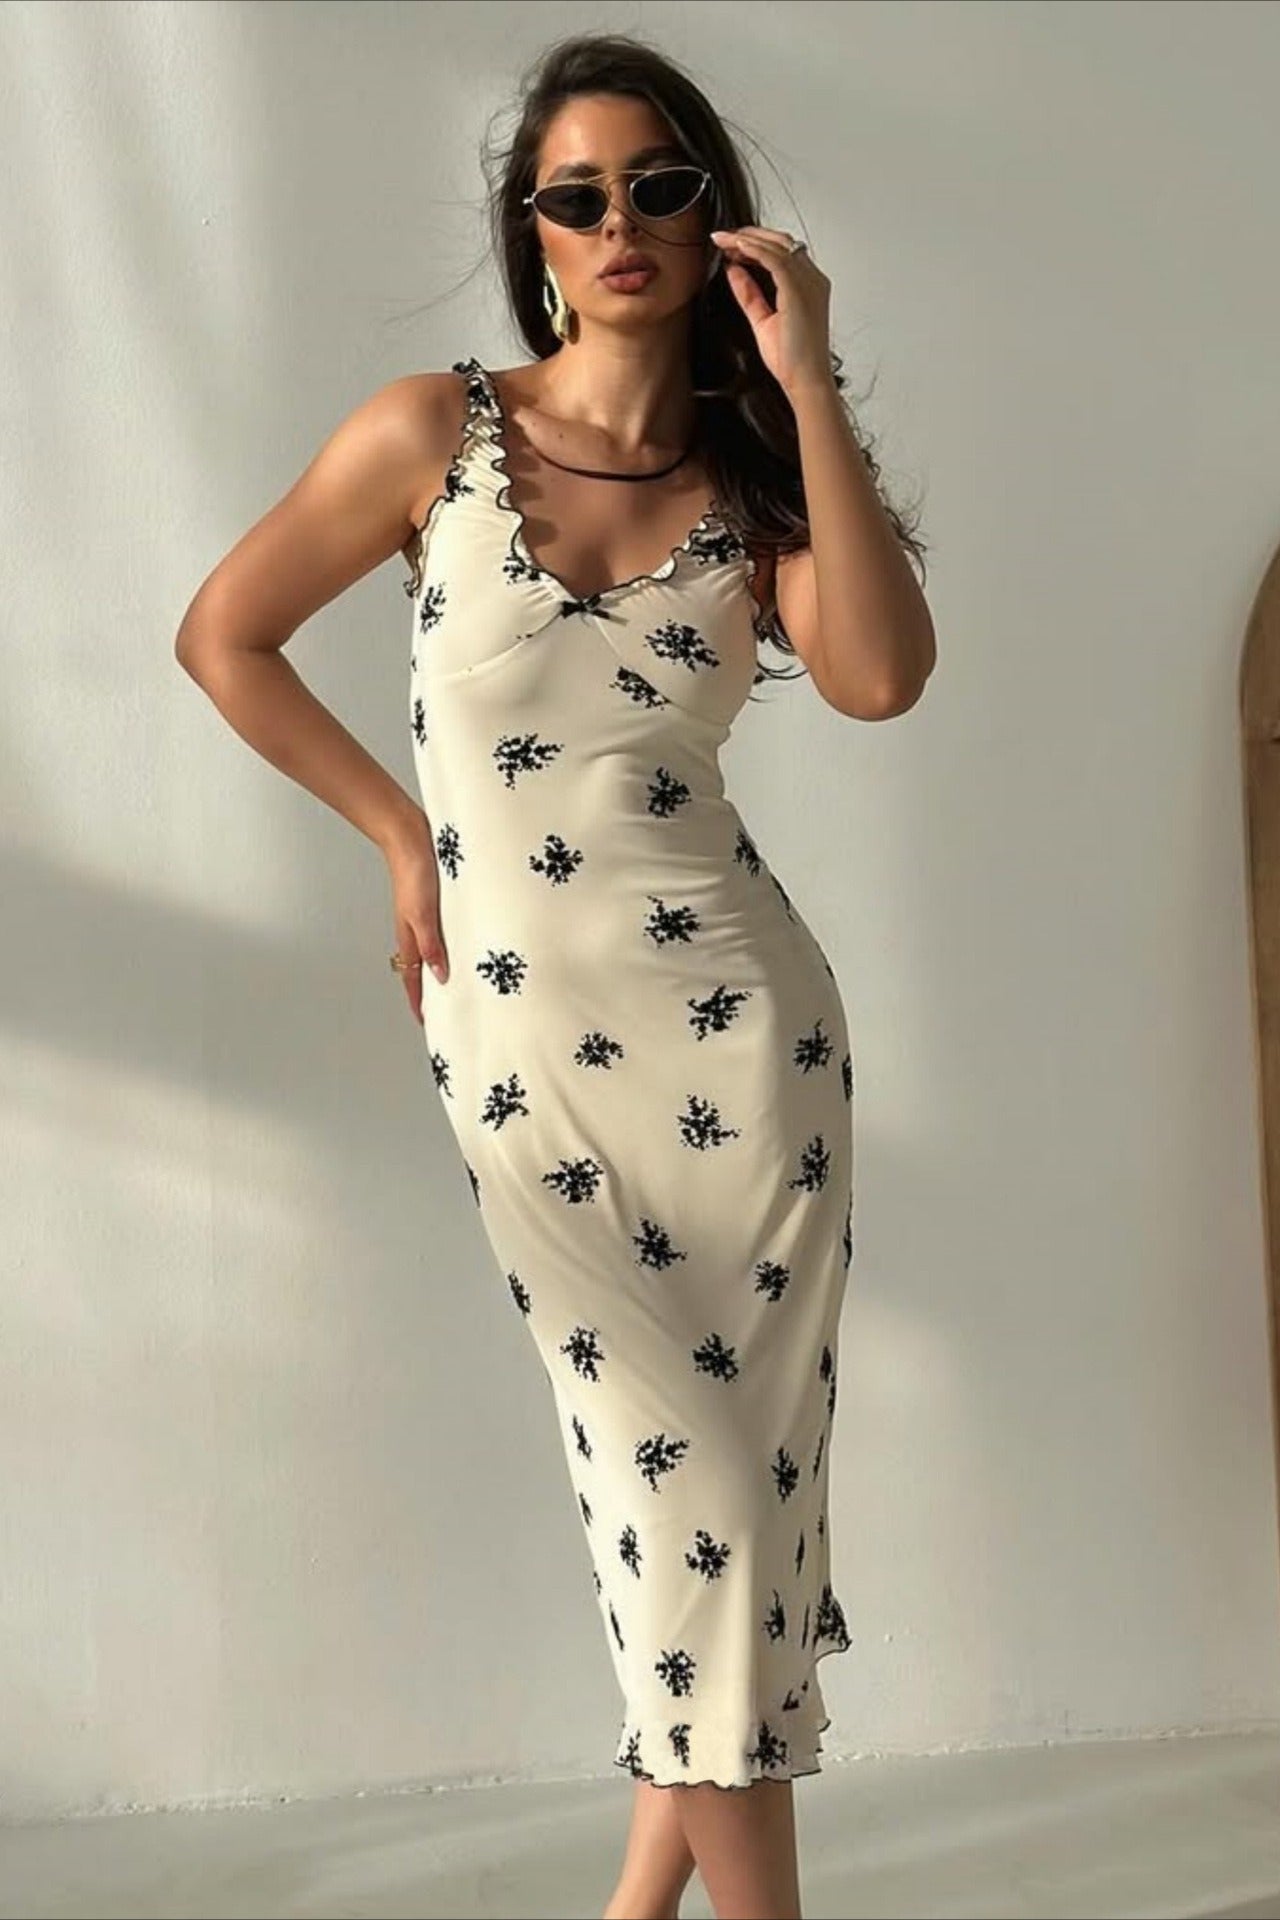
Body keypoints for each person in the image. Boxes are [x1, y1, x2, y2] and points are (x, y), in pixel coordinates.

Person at [174, 30, 934, 1920]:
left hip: (750, 1050)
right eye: (576, 195)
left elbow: (880, 677)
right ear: (532, 229)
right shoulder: (428, 434)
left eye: (658, 186)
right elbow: (226, 634)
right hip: (521, 1043)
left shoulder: (754, 480)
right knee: (689, 1494)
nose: (619, 222)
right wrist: (396, 832)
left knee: (735, 1519)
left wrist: (805, 383)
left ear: (715, 219)